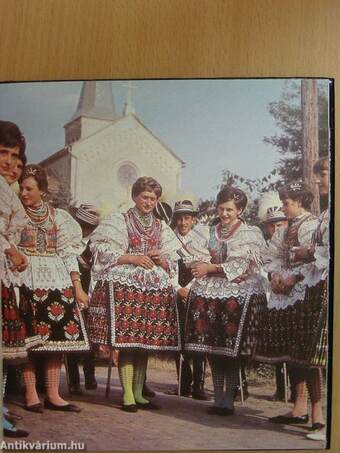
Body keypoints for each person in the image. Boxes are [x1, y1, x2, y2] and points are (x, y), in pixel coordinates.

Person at [88, 176, 181, 412]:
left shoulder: (161, 226)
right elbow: (101, 249)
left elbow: (173, 259)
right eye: (144, 197)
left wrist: (161, 259)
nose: (148, 202)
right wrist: (132, 257)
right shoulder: (120, 220)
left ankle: (139, 393)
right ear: (134, 196)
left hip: (152, 290)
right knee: (128, 342)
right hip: (126, 286)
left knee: (143, 343)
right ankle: (127, 393)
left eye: (153, 198)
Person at [184, 186, 266, 415]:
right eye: (221, 209)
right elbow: (194, 257)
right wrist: (203, 265)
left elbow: (243, 265)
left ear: (239, 210)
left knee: (230, 351)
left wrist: (211, 267)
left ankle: (228, 397)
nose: (225, 214)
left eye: (230, 209)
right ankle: (217, 394)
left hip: (235, 292)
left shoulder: (248, 233)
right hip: (211, 291)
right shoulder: (209, 231)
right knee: (214, 348)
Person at [255, 182, 326, 433]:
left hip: (307, 292)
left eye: (287, 202)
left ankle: (317, 411)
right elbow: (271, 257)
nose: (283, 207)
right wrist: (275, 275)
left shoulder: (314, 226)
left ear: (300, 202)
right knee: (291, 351)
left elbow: (318, 261)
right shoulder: (283, 231)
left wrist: (293, 278)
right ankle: (299, 407)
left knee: (308, 355)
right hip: (284, 294)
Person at [18, 164, 90, 413]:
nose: (24, 193)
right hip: (24, 278)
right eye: (21, 188)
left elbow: (68, 254)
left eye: (29, 188)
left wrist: (78, 287)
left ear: (42, 191)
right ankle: (30, 393)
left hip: (56, 281)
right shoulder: (14, 215)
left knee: (57, 338)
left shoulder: (59, 217)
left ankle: (53, 393)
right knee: (29, 340)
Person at [285, 158, 330, 442]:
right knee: (314, 355)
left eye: (323, 174)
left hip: (328, 286)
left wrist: (310, 253)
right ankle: (318, 416)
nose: (317, 180)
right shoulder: (325, 214)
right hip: (318, 286)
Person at [0, 120, 33, 437]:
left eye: (15, 155)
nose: (9, 162)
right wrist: (11, 250)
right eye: (3, 152)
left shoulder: (7, 190)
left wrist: (16, 255)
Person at [169, 199, 210, 399]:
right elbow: (167, 269)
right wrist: (178, 289)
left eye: (187, 218)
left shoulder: (202, 239)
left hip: (197, 290)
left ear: (194, 220)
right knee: (180, 337)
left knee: (198, 337)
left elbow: (203, 269)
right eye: (179, 218)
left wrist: (189, 289)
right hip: (176, 291)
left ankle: (198, 385)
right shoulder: (169, 240)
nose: (183, 223)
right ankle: (183, 383)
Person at [258, 192, 292, 402]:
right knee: (276, 344)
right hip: (269, 297)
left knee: (290, 343)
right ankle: (280, 388)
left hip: (287, 294)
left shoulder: (289, 245)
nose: (276, 229)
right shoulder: (264, 248)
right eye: (272, 225)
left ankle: (293, 390)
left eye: (280, 224)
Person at [66, 204, 100, 395]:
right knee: (72, 335)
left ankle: (90, 376)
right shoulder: (70, 243)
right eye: (82, 224)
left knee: (90, 337)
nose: (84, 229)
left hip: (91, 292)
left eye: (88, 226)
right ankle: (74, 380)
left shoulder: (96, 244)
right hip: (71, 290)